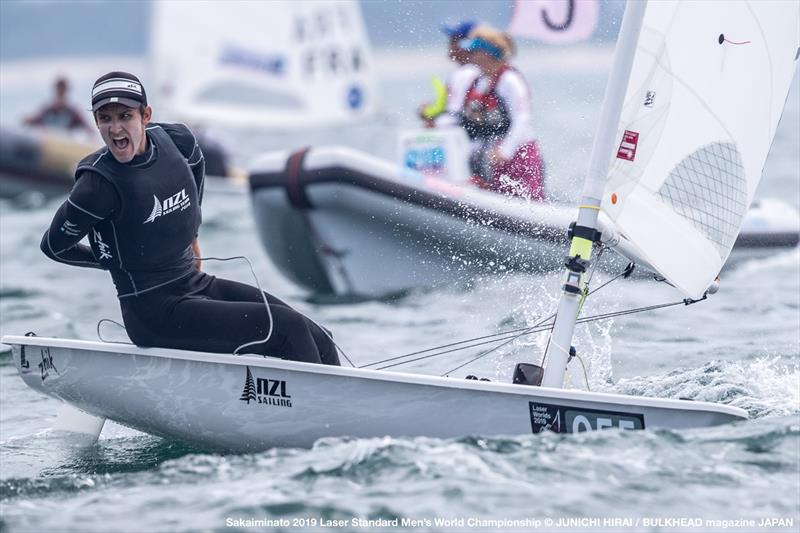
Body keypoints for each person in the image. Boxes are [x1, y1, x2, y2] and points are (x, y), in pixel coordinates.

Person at [40, 71, 339, 366]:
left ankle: (347, 404)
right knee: (288, 328)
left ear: (146, 116)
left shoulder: (177, 140)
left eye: (125, 116)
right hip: (154, 312)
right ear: (96, 122)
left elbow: (195, 166)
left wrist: (192, 233)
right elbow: (54, 247)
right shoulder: (97, 186)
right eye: (105, 119)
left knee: (317, 336)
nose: (116, 129)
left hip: (194, 283)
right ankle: (321, 412)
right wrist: (112, 262)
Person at [435, 26, 545, 200]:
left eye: (473, 51)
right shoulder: (478, 81)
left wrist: (505, 151)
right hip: (492, 158)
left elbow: (522, 120)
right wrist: (438, 125)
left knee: (526, 205)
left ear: (487, 53)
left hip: (518, 156)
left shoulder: (510, 81)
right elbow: (460, 117)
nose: (469, 55)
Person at [418, 20, 481, 125]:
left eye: (453, 41)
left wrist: (434, 122)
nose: (448, 45)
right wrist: (430, 113)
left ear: (466, 45)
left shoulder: (468, 73)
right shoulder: (462, 73)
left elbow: (456, 116)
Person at [24, 77, 94, 135]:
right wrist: (27, 119)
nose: (60, 91)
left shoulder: (72, 111)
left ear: (66, 91)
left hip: (64, 143)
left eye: (62, 89)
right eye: (59, 89)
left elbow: (87, 128)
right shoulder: (47, 109)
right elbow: (33, 121)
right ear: (55, 90)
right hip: (49, 141)